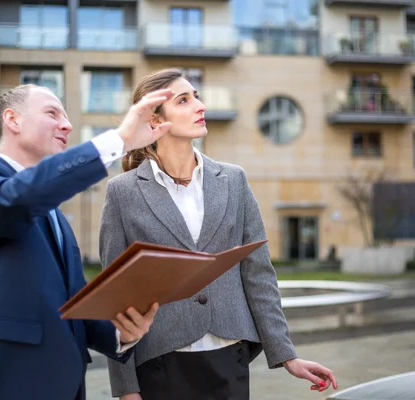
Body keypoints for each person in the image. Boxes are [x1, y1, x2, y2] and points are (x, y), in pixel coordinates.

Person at [99, 68, 338, 400]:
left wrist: (287, 355)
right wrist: (126, 389)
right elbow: (118, 296)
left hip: (230, 357)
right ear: (155, 120)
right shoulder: (123, 192)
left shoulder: (233, 180)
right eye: (184, 100)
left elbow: (258, 274)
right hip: (160, 363)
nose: (200, 105)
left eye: (196, 96)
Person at [0, 83, 175, 400]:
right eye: (52, 113)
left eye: (66, 117)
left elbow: (70, 307)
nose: (67, 125)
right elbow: (18, 198)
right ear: (12, 120)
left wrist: (121, 332)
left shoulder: (55, 217)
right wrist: (119, 140)